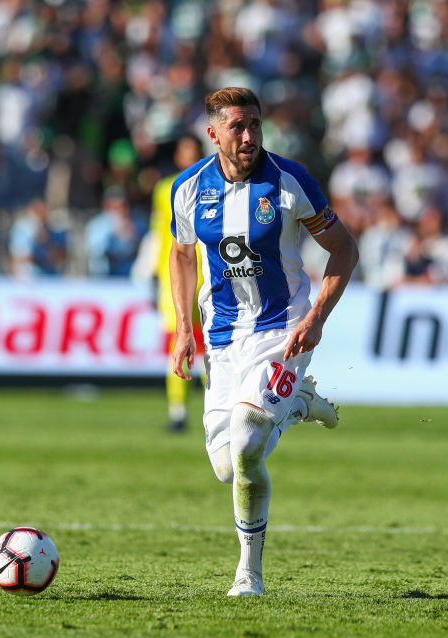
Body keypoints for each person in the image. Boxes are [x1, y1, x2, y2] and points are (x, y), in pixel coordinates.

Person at [169, 87, 359, 597]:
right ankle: (297, 401)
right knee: (227, 466)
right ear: (213, 133)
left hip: (284, 329)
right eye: (237, 126)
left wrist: (317, 317)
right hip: (224, 338)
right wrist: (185, 329)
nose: (249, 135)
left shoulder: (291, 182)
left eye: (255, 124)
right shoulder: (188, 189)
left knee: (250, 444)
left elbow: (343, 249)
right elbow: (183, 255)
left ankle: (248, 574)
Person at [149, 133, 206, 432]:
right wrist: (152, 273)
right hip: (175, 276)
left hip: (209, 273)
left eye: (195, 151)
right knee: (179, 342)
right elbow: (160, 235)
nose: (191, 157)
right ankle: (178, 413)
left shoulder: (216, 183)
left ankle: (215, 409)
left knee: (211, 344)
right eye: (187, 151)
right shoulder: (165, 188)